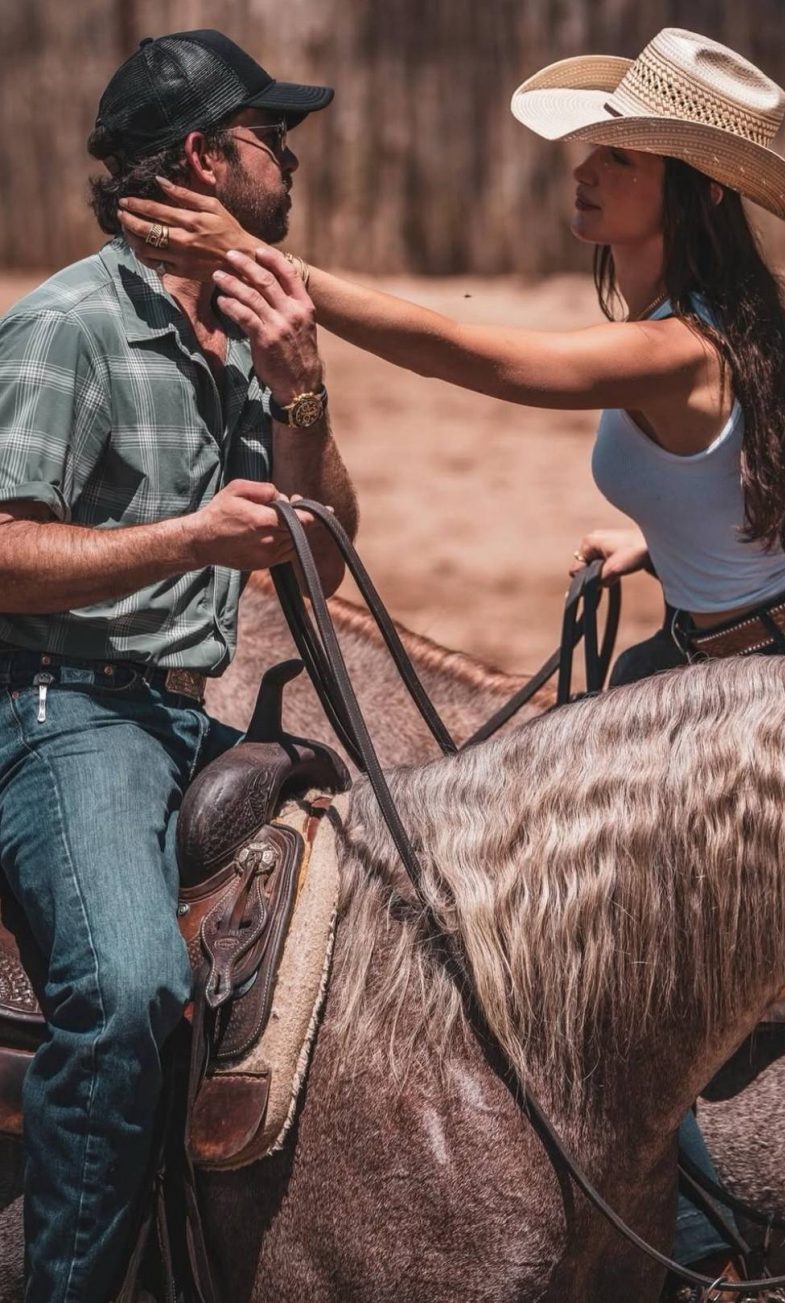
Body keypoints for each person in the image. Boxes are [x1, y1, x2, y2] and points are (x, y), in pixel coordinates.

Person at [115, 25, 785, 1297]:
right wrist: (670, 534)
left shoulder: (679, 345)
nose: (583, 170)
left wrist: (269, 266)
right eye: (591, 148)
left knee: (652, 958)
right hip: (747, 633)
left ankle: (715, 1245)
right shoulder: (720, 322)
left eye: (619, 156)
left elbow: (485, 357)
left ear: (688, 191)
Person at [0, 29, 357, 1302]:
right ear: (207, 158)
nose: (294, 158)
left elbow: (325, 543)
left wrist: (301, 388)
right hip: (65, 711)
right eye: (274, 138)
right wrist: (189, 538)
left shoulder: (240, 337)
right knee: (133, 984)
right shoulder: (67, 328)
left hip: (178, 712)